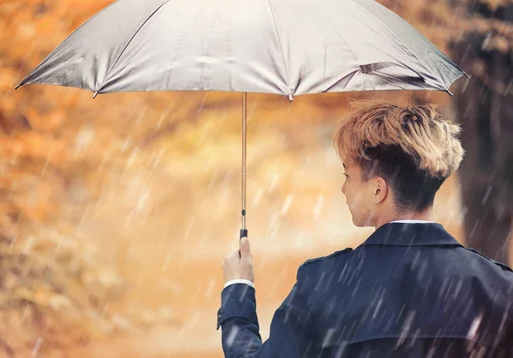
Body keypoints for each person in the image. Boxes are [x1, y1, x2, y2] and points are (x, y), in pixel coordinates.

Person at [218, 101, 513, 358]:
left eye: (348, 174)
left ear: (377, 190)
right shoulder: (499, 288)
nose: (343, 187)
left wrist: (238, 290)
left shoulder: (324, 284)